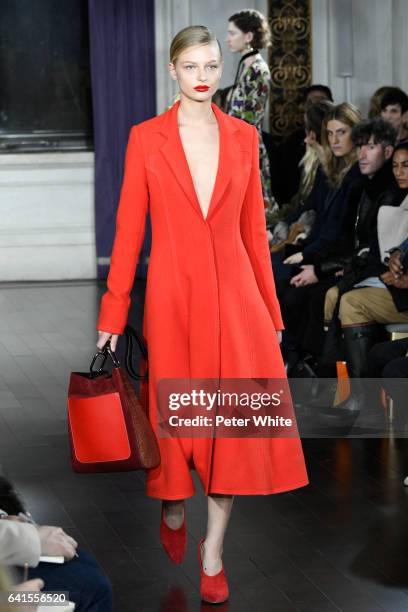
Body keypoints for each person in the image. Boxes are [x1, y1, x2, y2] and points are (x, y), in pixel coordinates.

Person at [95, 25, 308, 604]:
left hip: (236, 297)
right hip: (172, 299)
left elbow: (254, 236)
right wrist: (112, 318)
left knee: (231, 427)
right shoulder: (147, 138)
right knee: (180, 420)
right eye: (192, 66)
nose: (204, 76)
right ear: (173, 70)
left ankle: (212, 549)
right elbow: (128, 230)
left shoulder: (244, 138)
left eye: (212, 65)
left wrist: (272, 313)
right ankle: (171, 502)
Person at [321, 144, 408, 419]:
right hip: (390, 282)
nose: (399, 171)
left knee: (348, 301)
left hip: (400, 292)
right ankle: (348, 391)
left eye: (405, 165)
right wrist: (396, 257)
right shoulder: (390, 195)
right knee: (335, 296)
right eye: (395, 165)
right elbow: (386, 247)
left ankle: (361, 397)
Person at [277, 103, 364, 369]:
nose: (335, 140)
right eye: (330, 133)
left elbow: (342, 232)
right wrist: (305, 252)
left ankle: (301, 360)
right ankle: (292, 357)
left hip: (341, 259)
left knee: (294, 291)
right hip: (324, 251)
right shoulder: (330, 170)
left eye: (341, 132)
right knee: (281, 279)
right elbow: (321, 223)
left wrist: (314, 262)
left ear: (355, 133)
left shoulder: (358, 174)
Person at [224, 9, 276, 218]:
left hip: (246, 146)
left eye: (232, 33)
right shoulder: (246, 67)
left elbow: (247, 118)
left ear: (248, 36)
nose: (228, 39)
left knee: (252, 210)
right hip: (237, 145)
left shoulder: (257, 69)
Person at [278, 85, 334, 203]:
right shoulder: (293, 140)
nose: (316, 105)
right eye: (311, 102)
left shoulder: (336, 144)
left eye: (321, 100)